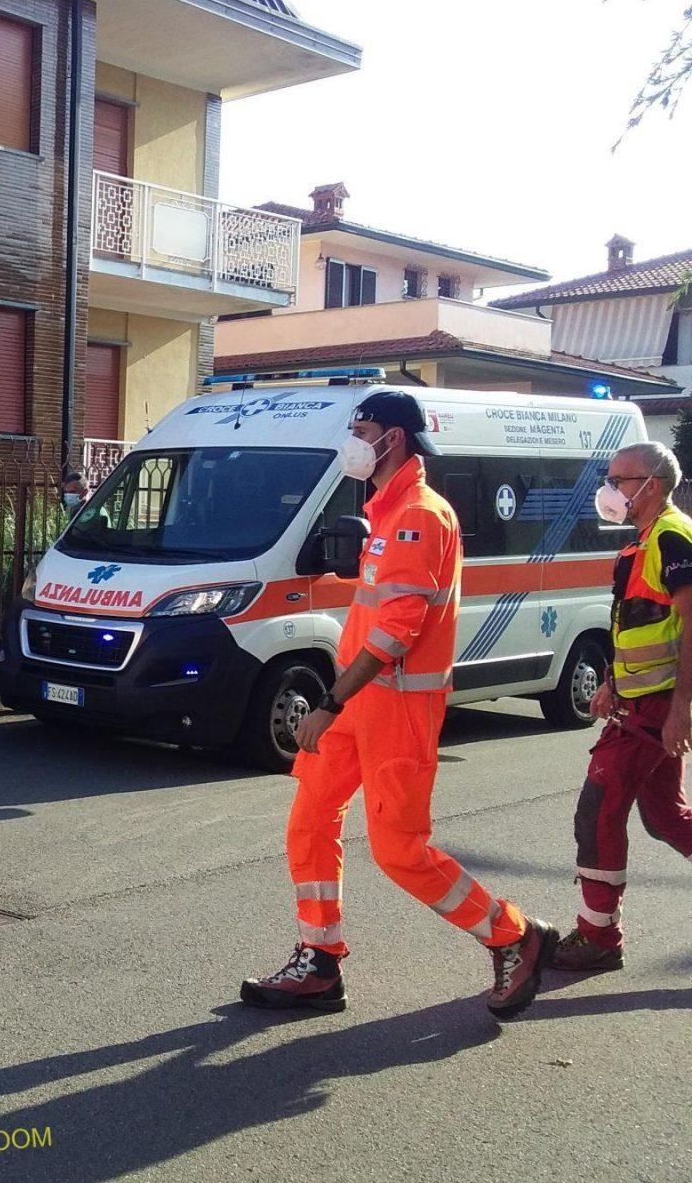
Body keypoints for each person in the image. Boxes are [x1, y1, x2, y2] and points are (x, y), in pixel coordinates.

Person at [240, 390, 557, 1019]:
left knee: (400, 851)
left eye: (363, 428)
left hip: (394, 713)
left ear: (396, 439)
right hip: (360, 706)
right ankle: (320, 959)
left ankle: (513, 933)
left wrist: (329, 701)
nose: (352, 439)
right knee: (308, 822)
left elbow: (397, 632)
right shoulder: (386, 512)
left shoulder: (420, 516)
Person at [551, 441, 692, 971]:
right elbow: (635, 625)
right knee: (665, 817)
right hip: (642, 701)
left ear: (650, 485)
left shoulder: (672, 537)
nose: (608, 491)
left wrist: (681, 707)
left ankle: (598, 938)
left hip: (657, 707)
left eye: (618, 480)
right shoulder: (643, 544)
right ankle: (598, 934)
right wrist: (611, 680)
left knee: (598, 811)